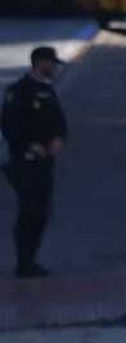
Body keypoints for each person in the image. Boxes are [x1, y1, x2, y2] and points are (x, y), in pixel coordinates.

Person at [1, 47, 67, 280]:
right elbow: (10, 125)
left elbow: (59, 121)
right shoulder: (19, 91)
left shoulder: (47, 91)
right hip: (25, 162)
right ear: (40, 63)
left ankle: (32, 258)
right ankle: (24, 262)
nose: (55, 68)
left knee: (41, 212)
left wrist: (59, 138)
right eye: (52, 63)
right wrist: (29, 146)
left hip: (45, 163)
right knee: (28, 211)